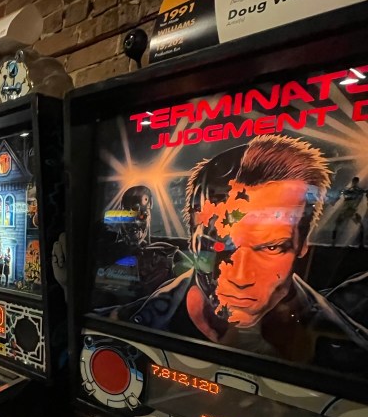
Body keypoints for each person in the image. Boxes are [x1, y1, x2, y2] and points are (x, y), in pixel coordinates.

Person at [109, 134, 368, 371]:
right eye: (220, 244)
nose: (240, 277)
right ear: (193, 238)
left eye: (271, 247)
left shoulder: (350, 355)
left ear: (301, 246)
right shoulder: (129, 320)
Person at [331, 175, 365, 246]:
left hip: (351, 211)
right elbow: (342, 193)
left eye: (355, 182)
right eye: (354, 182)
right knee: (337, 224)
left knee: (361, 226)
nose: (355, 183)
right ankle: (333, 242)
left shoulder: (357, 190)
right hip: (347, 210)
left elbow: (361, 193)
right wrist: (335, 200)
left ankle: (361, 243)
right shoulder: (349, 190)